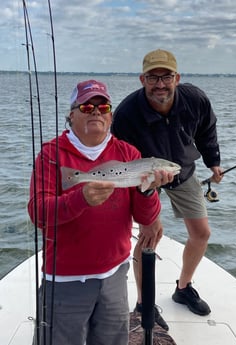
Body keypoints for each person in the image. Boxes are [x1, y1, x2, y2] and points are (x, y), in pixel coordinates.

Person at [28, 79, 174, 345]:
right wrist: (80, 198)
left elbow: (145, 218)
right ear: (71, 115)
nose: (95, 111)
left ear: (110, 115)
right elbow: (38, 214)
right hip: (64, 279)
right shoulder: (51, 155)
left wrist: (148, 191)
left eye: (102, 106)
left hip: (115, 276)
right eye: (86, 106)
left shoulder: (128, 152)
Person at [111, 49, 224, 317]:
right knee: (150, 236)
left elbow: (207, 129)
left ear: (177, 77)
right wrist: (147, 199)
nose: (160, 84)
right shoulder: (127, 113)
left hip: (182, 170)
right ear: (142, 79)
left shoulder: (195, 99)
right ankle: (142, 303)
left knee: (202, 233)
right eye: (153, 77)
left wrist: (214, 162)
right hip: (144, 177)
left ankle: (183, 288)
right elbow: (120, 156)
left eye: (166, 77)